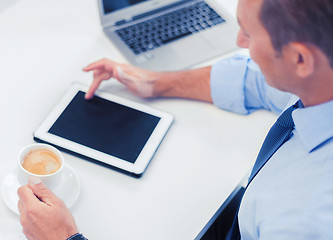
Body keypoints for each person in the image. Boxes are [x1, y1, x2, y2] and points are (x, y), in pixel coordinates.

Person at [17, 0, 333, 239]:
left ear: (300, 59)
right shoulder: (319, 81)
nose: (239, 42)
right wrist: (155, 82)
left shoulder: (305, 219)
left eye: (249, 33)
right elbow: (254, 80)